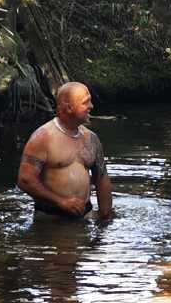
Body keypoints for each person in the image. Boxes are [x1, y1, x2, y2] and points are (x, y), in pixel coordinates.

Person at [17, 82, 113, 220]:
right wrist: (61, 201)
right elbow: (25, 180)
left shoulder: (91, 138)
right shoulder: (43, 137)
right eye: (86, 103)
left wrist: (105, 217)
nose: (91, 106)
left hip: (85, 217)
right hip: (51, 220)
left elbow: (102, 178)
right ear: (69, 108)